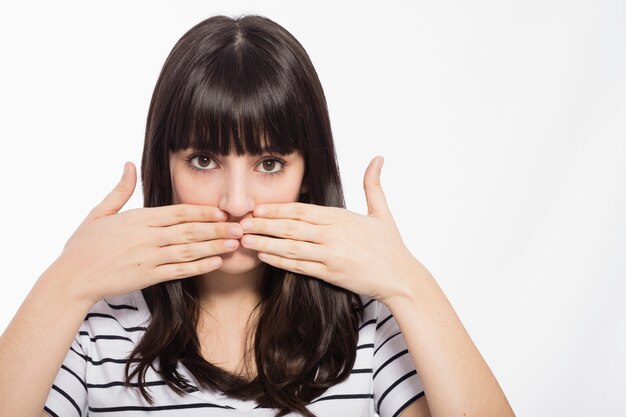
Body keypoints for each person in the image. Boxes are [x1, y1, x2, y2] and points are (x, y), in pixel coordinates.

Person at [0, 14, 515, 417]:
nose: (238, 201)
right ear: (166, 167)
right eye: (204, 160)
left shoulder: (364, 328)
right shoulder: (97, 328)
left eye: (270, 164)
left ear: (308, 174)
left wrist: (409, 283)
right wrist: (64, 282)